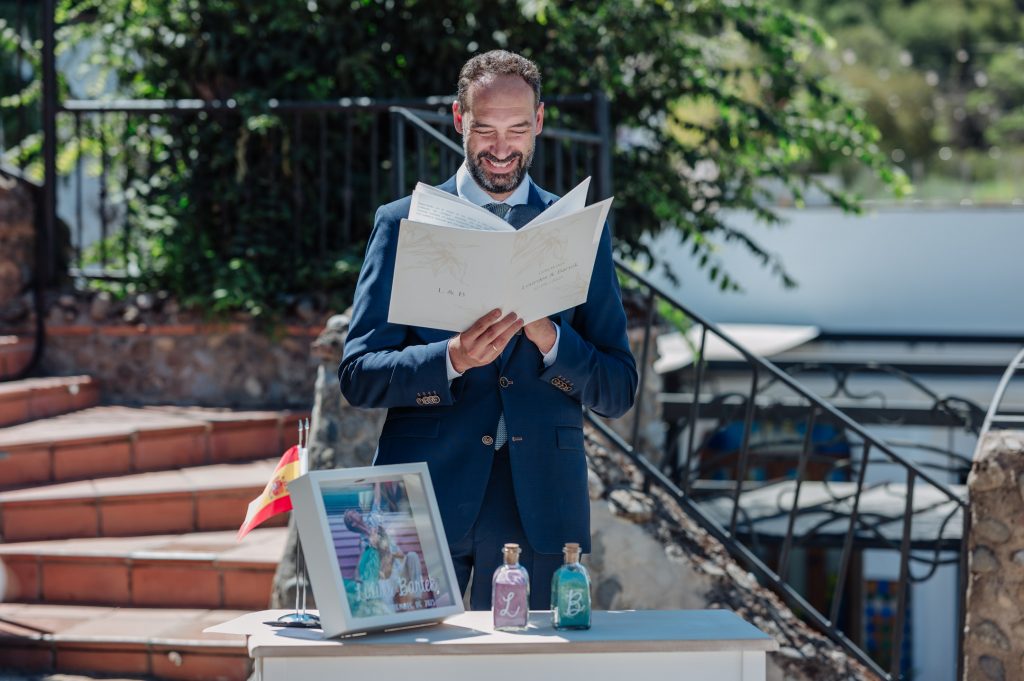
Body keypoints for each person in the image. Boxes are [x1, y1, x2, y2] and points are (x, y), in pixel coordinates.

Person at [339, 49, 638, 610]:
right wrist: (449, 358)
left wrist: (554, 342)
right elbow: (358, 376)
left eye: (518, 129)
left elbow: (619, 388)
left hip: (541, 506)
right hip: (421, 501)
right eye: (485, 129)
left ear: (540, 122)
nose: (502, 149)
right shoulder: (401, 223)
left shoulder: (579, 233)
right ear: (459, 119)